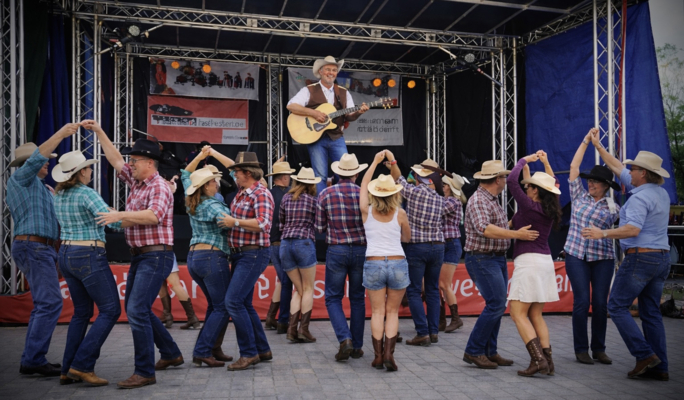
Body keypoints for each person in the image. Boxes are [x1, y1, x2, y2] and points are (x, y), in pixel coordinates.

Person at [86, 121, 183, 389]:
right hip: (143, 256)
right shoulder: (137, 181)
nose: (130, 164)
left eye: (135, 160)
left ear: (150, 163)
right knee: (137, 308)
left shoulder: (159, 186)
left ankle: (144, 371)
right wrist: (100, 132)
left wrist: (119, 215)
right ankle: (171, 353)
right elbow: (115, 160)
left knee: (136, 309)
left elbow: (153, 216)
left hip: (156, 255)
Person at [583, 131, 671, 381]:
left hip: (640, 258)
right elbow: (616, 166)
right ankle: (660, 367)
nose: (628, 172)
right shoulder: (660, 193)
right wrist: (598, 146)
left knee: (616, 306)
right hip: (661, 258)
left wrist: (602, 233)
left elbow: (633, 229)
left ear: (643, 173)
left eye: (633, 169)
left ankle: (645, 355)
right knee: (651, 313)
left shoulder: (638, 198)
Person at [8, 124, 79, 378]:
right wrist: (60, 134)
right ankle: (33, 359)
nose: (48, 162)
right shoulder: (20, 179)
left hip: (41, 248)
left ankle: (32, 358)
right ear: (29, 163)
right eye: (45, 159)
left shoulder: (44, 189)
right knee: (49, 302)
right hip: (34, 246)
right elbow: (38, 157)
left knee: (46, 303)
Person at [52, 150, 123, 386]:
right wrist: (123, 215)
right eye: (89, 168)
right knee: (110, 310)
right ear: (82, 172)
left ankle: (67, 369)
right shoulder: (87, 193)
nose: (91, 171)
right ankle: (81, 365)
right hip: (88, 253)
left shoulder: (59, 195)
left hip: (66, 253)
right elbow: (114, 223)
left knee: (81, 313)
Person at [462, 160, 539, 369]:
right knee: (496, 304)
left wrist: (514, 225)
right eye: (504, 177)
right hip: (483, 258)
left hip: (492, 257)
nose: (506, 180)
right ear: (497, 179)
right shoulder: (479, 200)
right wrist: (516, 234)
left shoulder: (489, 199)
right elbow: (484, 229)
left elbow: (494, 226)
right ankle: (474, 350)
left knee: (496, 304)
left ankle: (489, 351)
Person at [385, 156, 455, 346]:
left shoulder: (413, 192)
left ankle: (422, 332)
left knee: (414, 290)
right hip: (438, 246)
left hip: (417, 246)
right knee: (432, 290)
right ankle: (433, 332)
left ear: (419, 177)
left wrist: (392, 163)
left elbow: (398, 178)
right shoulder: (440, 199)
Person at [565, 128, 620, 365]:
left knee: (599, 303)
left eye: (596, 182)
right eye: (590, 180)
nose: (591, 184)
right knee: (581, 302)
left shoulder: (614, 207)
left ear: (606, 185)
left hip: (603, 258)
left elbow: (622, 230)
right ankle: (581, 349)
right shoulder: (579, 196)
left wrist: (604, 233)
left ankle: (599, 349)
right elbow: (574, 167)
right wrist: (586, 141)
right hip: (576, 255)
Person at [507, 152, 562, 377]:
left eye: (529, 186)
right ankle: (548, 361)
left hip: (529, 262)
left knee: (517, 313)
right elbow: (553, 183)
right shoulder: (549, 208)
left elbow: (512, 180)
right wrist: (545, 163)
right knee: (536, 314)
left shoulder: (530, 207)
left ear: (536, 191)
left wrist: (525, 160)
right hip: (544, 261)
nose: (526, 188)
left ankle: (538, 360)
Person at [218, 152, 274, 371]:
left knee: (233, 302)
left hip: (253, 253)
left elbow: (264, 224)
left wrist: (235, 222)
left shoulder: (261, 193)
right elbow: (231, 165)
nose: (234, 175)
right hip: (243, 254)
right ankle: (262, 349)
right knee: (244, 303)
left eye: (237, 172)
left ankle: (249, 353)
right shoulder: (244, 190)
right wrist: (211, 152)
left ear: (248, 173)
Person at [182, 146, 235, 368]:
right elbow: (230, 224)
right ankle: (202, 350)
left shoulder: (192, 198)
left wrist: (200, 157)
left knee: (215, 305)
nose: (217, 184)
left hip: (194, 257)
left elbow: (185, 174)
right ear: (205, 186)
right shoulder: (213, 205)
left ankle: (212, 348)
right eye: (214, 181)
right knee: (223, 306)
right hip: (212, 257)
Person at [286, 56, 369, 194]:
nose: (331, 73)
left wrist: (359, 112)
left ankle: (343, 200)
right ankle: (321, 204)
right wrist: (314, 113)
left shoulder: (343, 92)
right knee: (320, 176)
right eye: (328, 69)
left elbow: (349, 116)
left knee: (346, 172)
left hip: (336, 137)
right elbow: (291, 106)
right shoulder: (309, 90)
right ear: (320, 71)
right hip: (315, 138)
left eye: (334, 70)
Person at [360, 151, 411, 371]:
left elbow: (364, 184)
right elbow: (407, 238)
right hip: (398, 261)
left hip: (374, 261)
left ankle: (379, 356)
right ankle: (390, 354)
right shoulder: (400, 213)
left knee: (377, 312)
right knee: (392, 312)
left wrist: (374, 162)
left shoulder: (366, 211)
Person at [316, 153, 368, 361]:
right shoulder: (364, 194)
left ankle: (344, 338)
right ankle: (356, 346)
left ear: (338, 174)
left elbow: (320, 227)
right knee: (357, 298)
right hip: (361, 249)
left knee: (332, 297)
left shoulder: (325, 194)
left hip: (337, 249)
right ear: (356, 174)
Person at [280, 167, 320, 343]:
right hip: (304, 242)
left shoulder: (286, 198)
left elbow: (281, 222)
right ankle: (303, 329)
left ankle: (291, 329)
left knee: (299, 289)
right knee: (308, 288)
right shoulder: (313, 201)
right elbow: (318, 225)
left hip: (285, 244)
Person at [263, 159, 295, 334]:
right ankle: (283, 320)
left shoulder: (267, 194)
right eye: (288, 175)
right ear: (284, 177)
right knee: (287, 282)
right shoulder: (291, 195)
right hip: (288, 242)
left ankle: (272, 317)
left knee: (283, 281)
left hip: (272, 243)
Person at [438, 173, 468, 333]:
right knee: (439, 285)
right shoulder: (448, 200)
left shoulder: (453, 202)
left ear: (450, 187)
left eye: (444, 185)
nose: (442, 187)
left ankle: (455, 318)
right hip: (445, 244)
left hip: (450, 244)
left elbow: (437, 210)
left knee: (444, 284)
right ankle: (442, 319)